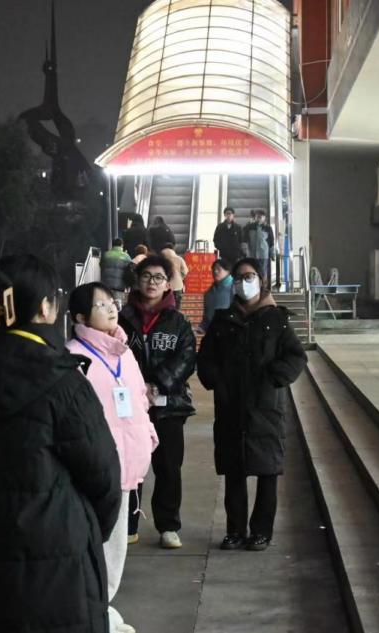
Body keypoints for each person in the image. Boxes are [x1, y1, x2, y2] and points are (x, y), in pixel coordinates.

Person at [0, 254, 121, 633]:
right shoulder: (63, 380)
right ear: (46, 307)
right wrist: (86, 534)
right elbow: (104, 476)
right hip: (60, 557)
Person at [197, 258, 306, 552]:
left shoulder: (276, 319)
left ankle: (261, 531)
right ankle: (235, 530)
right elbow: (205, 358)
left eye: (250, 276)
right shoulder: (222, 321)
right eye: (239, 277)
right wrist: (217, 381)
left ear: (261, 280)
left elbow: (296, 356)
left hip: (265, 407)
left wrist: (272, 378)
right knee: (234, 472)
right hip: (230, 407)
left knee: (268, 472)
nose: (244, 282)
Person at [66, 282, 158, 633]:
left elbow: (138, 398)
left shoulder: (124, 352)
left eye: (111, 302)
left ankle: (102, 609)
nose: (110, 308)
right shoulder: (75, 357)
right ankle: (93, 613)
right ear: (80, 317)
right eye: (100, 304)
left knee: (116, 547)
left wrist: (147, 433)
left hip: (128, 463)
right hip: (98, 468)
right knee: (97, 545)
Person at [119, 255, 196, 549]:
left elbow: (186, 358)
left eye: (159, 277)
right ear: (138, 281)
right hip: (131, 407)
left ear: (168, 284)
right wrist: (138, 388)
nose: (152, 282)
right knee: (132, 467)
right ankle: (129, 525)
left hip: (169, 408)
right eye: (146, 276)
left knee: (168, 469)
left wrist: (158, 384)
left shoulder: (179, 322)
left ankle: (168, 526)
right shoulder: (121, 319)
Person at [200, 259, 233, 333]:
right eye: (213, 269)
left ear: (228, 271)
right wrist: (202, 327)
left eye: (218, 269)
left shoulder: (236, 288)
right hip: (213, 332)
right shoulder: (209, 292)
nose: (215, 271)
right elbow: (207, 316)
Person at [242, 210, 274, 285]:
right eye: (257, 216)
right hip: (251, 254)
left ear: (264, 218)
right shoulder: (249, 227)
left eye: (261, 216)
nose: (259, 218)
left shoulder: (268, 228)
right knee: (251, 272)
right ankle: (252, 288)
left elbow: (271, 241)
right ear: (255, 217)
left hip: (263, 255)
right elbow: (244, 239)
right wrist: (244, 251)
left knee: (263, 272)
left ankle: (263, 288)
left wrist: (272, 253)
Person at [160, 243, 189, 310]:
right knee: (177, 309)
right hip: (178, 287)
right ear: (173, 250)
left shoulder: (161, 260)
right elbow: (185, 271)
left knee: (165, 308)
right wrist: (180, 277)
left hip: (164, 287)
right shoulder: (179, 259)